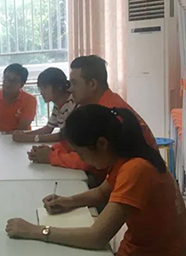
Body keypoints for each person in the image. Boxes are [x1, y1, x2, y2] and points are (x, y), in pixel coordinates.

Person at [6, 105, 186, 256]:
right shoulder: (129, 157)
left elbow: (97, 236)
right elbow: (103, 192)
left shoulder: (136, 170)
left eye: (83, 154)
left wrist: (35, 231)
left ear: (102, 144)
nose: (84, 161)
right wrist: (68, 201)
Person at [28, 55, 157, 170]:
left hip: (134, 178)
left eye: (74, 83)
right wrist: (53, 149)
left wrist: (51, 156)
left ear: (92, 84)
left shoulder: (107, 110)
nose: (70, 89)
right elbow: (80, 145)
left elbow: (88, 160)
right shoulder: (96, 105)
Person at [12, 67, 75, 143]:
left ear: (59, 87)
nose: (41, 92)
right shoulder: (58, 105)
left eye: (45, 87)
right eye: (40, 88)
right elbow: (48, 129)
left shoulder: (73, 103)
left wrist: (28, 138)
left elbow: (63, 136)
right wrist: (23, 135)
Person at [0, 63, 37, 133]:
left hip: (20, 137)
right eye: (6, 79)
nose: (8, 83)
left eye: (14, 81)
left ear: (22, 84)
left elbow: (22, 128)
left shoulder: (30, 100)